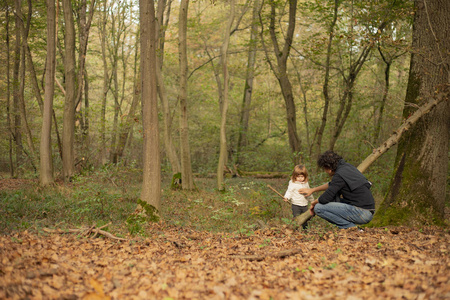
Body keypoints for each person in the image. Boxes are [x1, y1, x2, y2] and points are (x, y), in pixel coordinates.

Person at [299, 150, 375, 229]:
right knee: (334, 199)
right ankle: (353, 228)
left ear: (328, 167)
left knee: (318, 208)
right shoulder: (346, 167)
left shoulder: (339, 175)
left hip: (362, 212)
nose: (325, 171)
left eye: (324, 169)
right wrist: (312, 190)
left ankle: (352, 228)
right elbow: (332, 185)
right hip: (367, 211)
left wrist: (313, 203)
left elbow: (325, 198)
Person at [283, 165, 314, 229]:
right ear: (295, 176)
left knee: (305, 218)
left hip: (304, 204)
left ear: (305, 176)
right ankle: (296, 230)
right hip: (296, 204)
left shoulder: (305, 183)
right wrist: (286, 197)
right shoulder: (292, 183)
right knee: (297, 218)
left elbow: (308, 192)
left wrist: (312, 200)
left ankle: (305, 230)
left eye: (302, 176)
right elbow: (289, 191)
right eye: (298, 176)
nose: (300, 178)